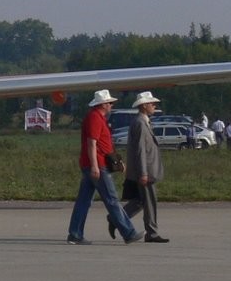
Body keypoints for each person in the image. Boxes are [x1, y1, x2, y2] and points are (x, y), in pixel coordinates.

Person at [67, 89, 139, 245]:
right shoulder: (94, 118)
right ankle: (128, 232)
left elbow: (104, 145)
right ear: (103, 104)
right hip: (98, 165)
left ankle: (75, 233)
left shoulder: (98, 118)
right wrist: (94, 166)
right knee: (111, 199)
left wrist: (117, 162)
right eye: (110, 103)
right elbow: (91, 143)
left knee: (84, 201)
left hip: (96, 164)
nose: (111, 105)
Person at [121, 91, 168, 243]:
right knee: (150, 201)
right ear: (144, 105)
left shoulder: (143, 121)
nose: (154, 106)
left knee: (141, 201)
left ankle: (117, 218)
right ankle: (152, 233)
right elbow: (140, 150)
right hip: (146, 171)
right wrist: (143, 172)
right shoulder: (140, 123)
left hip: (147, 170)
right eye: (152, 103)